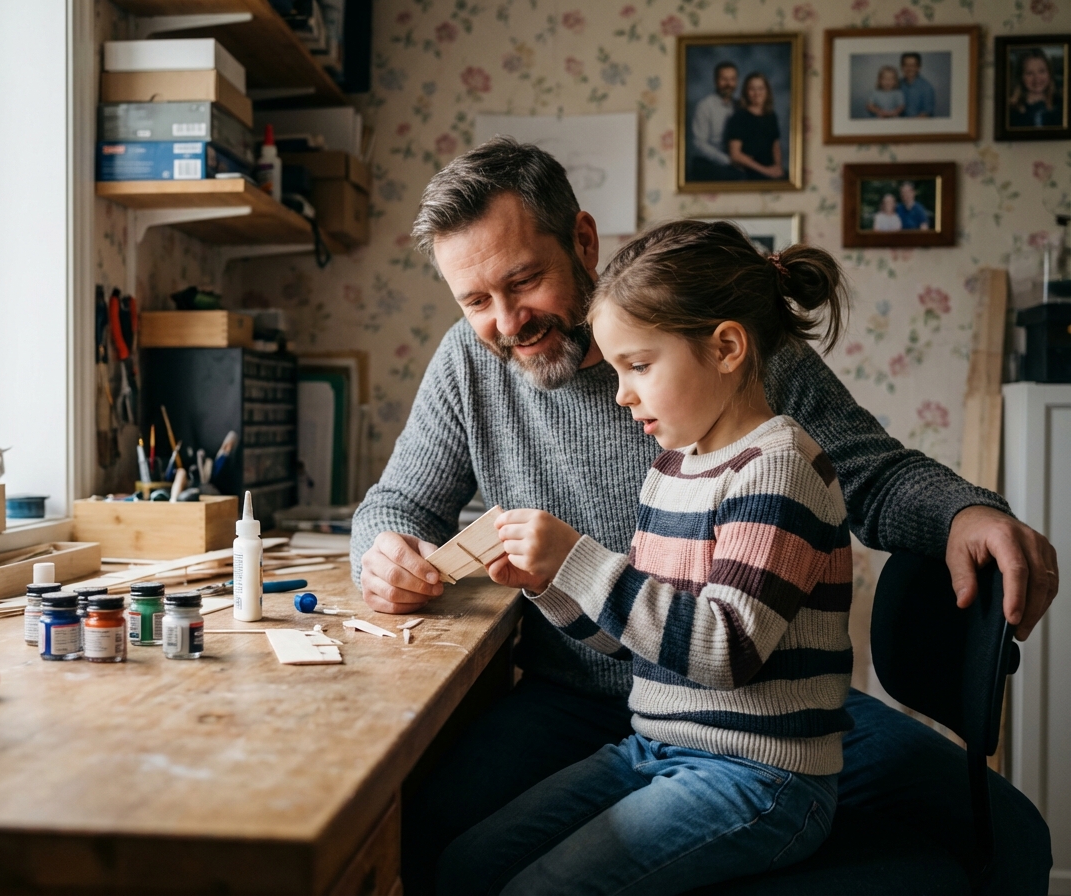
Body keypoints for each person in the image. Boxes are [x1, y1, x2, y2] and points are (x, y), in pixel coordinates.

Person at [353, 138, 1056, 895]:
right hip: (580, 698)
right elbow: (394, 505)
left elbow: (869, 472)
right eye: (475, 301)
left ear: (583, 241)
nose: (506, 322)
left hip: (752, 709)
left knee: (1008, 837)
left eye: (524, 281)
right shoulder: (468, 362)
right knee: (426, 838)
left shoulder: (716, 339)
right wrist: (383, 551)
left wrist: (963, 512)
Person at [437, 220, 853, 896]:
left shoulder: (779, 470)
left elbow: (724, 651)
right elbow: (630, 643)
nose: (623, 392)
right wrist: (549, 584)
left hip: (761, 778)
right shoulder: (672, 470)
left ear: (725, 347)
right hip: (659, 749)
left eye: (638, 366)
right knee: (466, 866)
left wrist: (578, 559)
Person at [690, 61, 745, 181]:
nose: (729, 84)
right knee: (741, 179)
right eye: (724, 79)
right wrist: (729, 161)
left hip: (733, 161)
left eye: (732, 79)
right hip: (708, 163)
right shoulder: (704, 106)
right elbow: (699, 144)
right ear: (715, 81)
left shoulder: (739, 105)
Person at [724, 73, 784, 181]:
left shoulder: (771, 115)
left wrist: (777, 167)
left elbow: (775, 145)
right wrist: (766, 171)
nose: (757, 93)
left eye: (761, 88)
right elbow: (735, 154)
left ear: (767, 91)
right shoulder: (738, 117)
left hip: (771, 170)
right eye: (752, 89)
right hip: (748, 173)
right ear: (746, 92)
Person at [1009, 47, 1064, 129]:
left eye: (1041, 71)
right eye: (1029, 73)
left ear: (1049, 73)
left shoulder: (1061, 105)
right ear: (1020, 77)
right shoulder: (1011, 111)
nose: (1037, 78)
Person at [900, 52, 935, 118]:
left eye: (912, 65)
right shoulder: (897, 85)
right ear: (901, 67)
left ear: (918, 67)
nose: (909, 68)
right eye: (906, 65)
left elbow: (926, 114)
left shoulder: (927, 88)